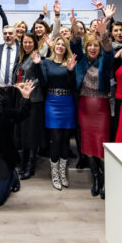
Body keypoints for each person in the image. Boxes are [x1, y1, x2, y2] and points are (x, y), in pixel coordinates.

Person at [71, 18, 113, 199]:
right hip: (84, 106)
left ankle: (107, 180)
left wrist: (103, 35)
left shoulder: (105, 59)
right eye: (90, 45)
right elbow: (74, 45)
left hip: (101, 107)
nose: (93, 48)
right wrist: (75, 31)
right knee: (88, 143)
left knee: (102, 143)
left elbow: (109, 50)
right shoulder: (81, 60)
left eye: (96, 45)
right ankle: (96, 177)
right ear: (86, 47)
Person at [38, 36, 78, 190]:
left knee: (66, 139)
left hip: (67, 102)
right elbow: (43, 83)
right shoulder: (46, 62)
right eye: (58, 44)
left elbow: (73, 85)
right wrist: (37, 65)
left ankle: (62, 173)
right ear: (53, 46)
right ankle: (54, 174)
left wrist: (70, 71)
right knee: (56, 139)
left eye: (63, 44)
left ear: (66, 48)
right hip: (52, 102)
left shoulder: (70, 62)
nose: (60, 46)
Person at [12, 33, 45, 180]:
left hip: (34, 100)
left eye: (30, 42)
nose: (27, 45)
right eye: (25, 42)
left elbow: (41, 79)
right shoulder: (22, 58)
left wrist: (26, 85)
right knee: (24, 132)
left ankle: (30, 166)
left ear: (35, 43)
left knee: (32, 134)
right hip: (22, 99)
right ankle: (24, 163)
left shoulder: (36, 58)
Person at [0, 24, 19, 108]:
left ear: (15, 35)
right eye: (5, 33)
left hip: (13, 92)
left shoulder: (21, 49)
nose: (7, 35)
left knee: (12, 115)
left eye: (10, 33)